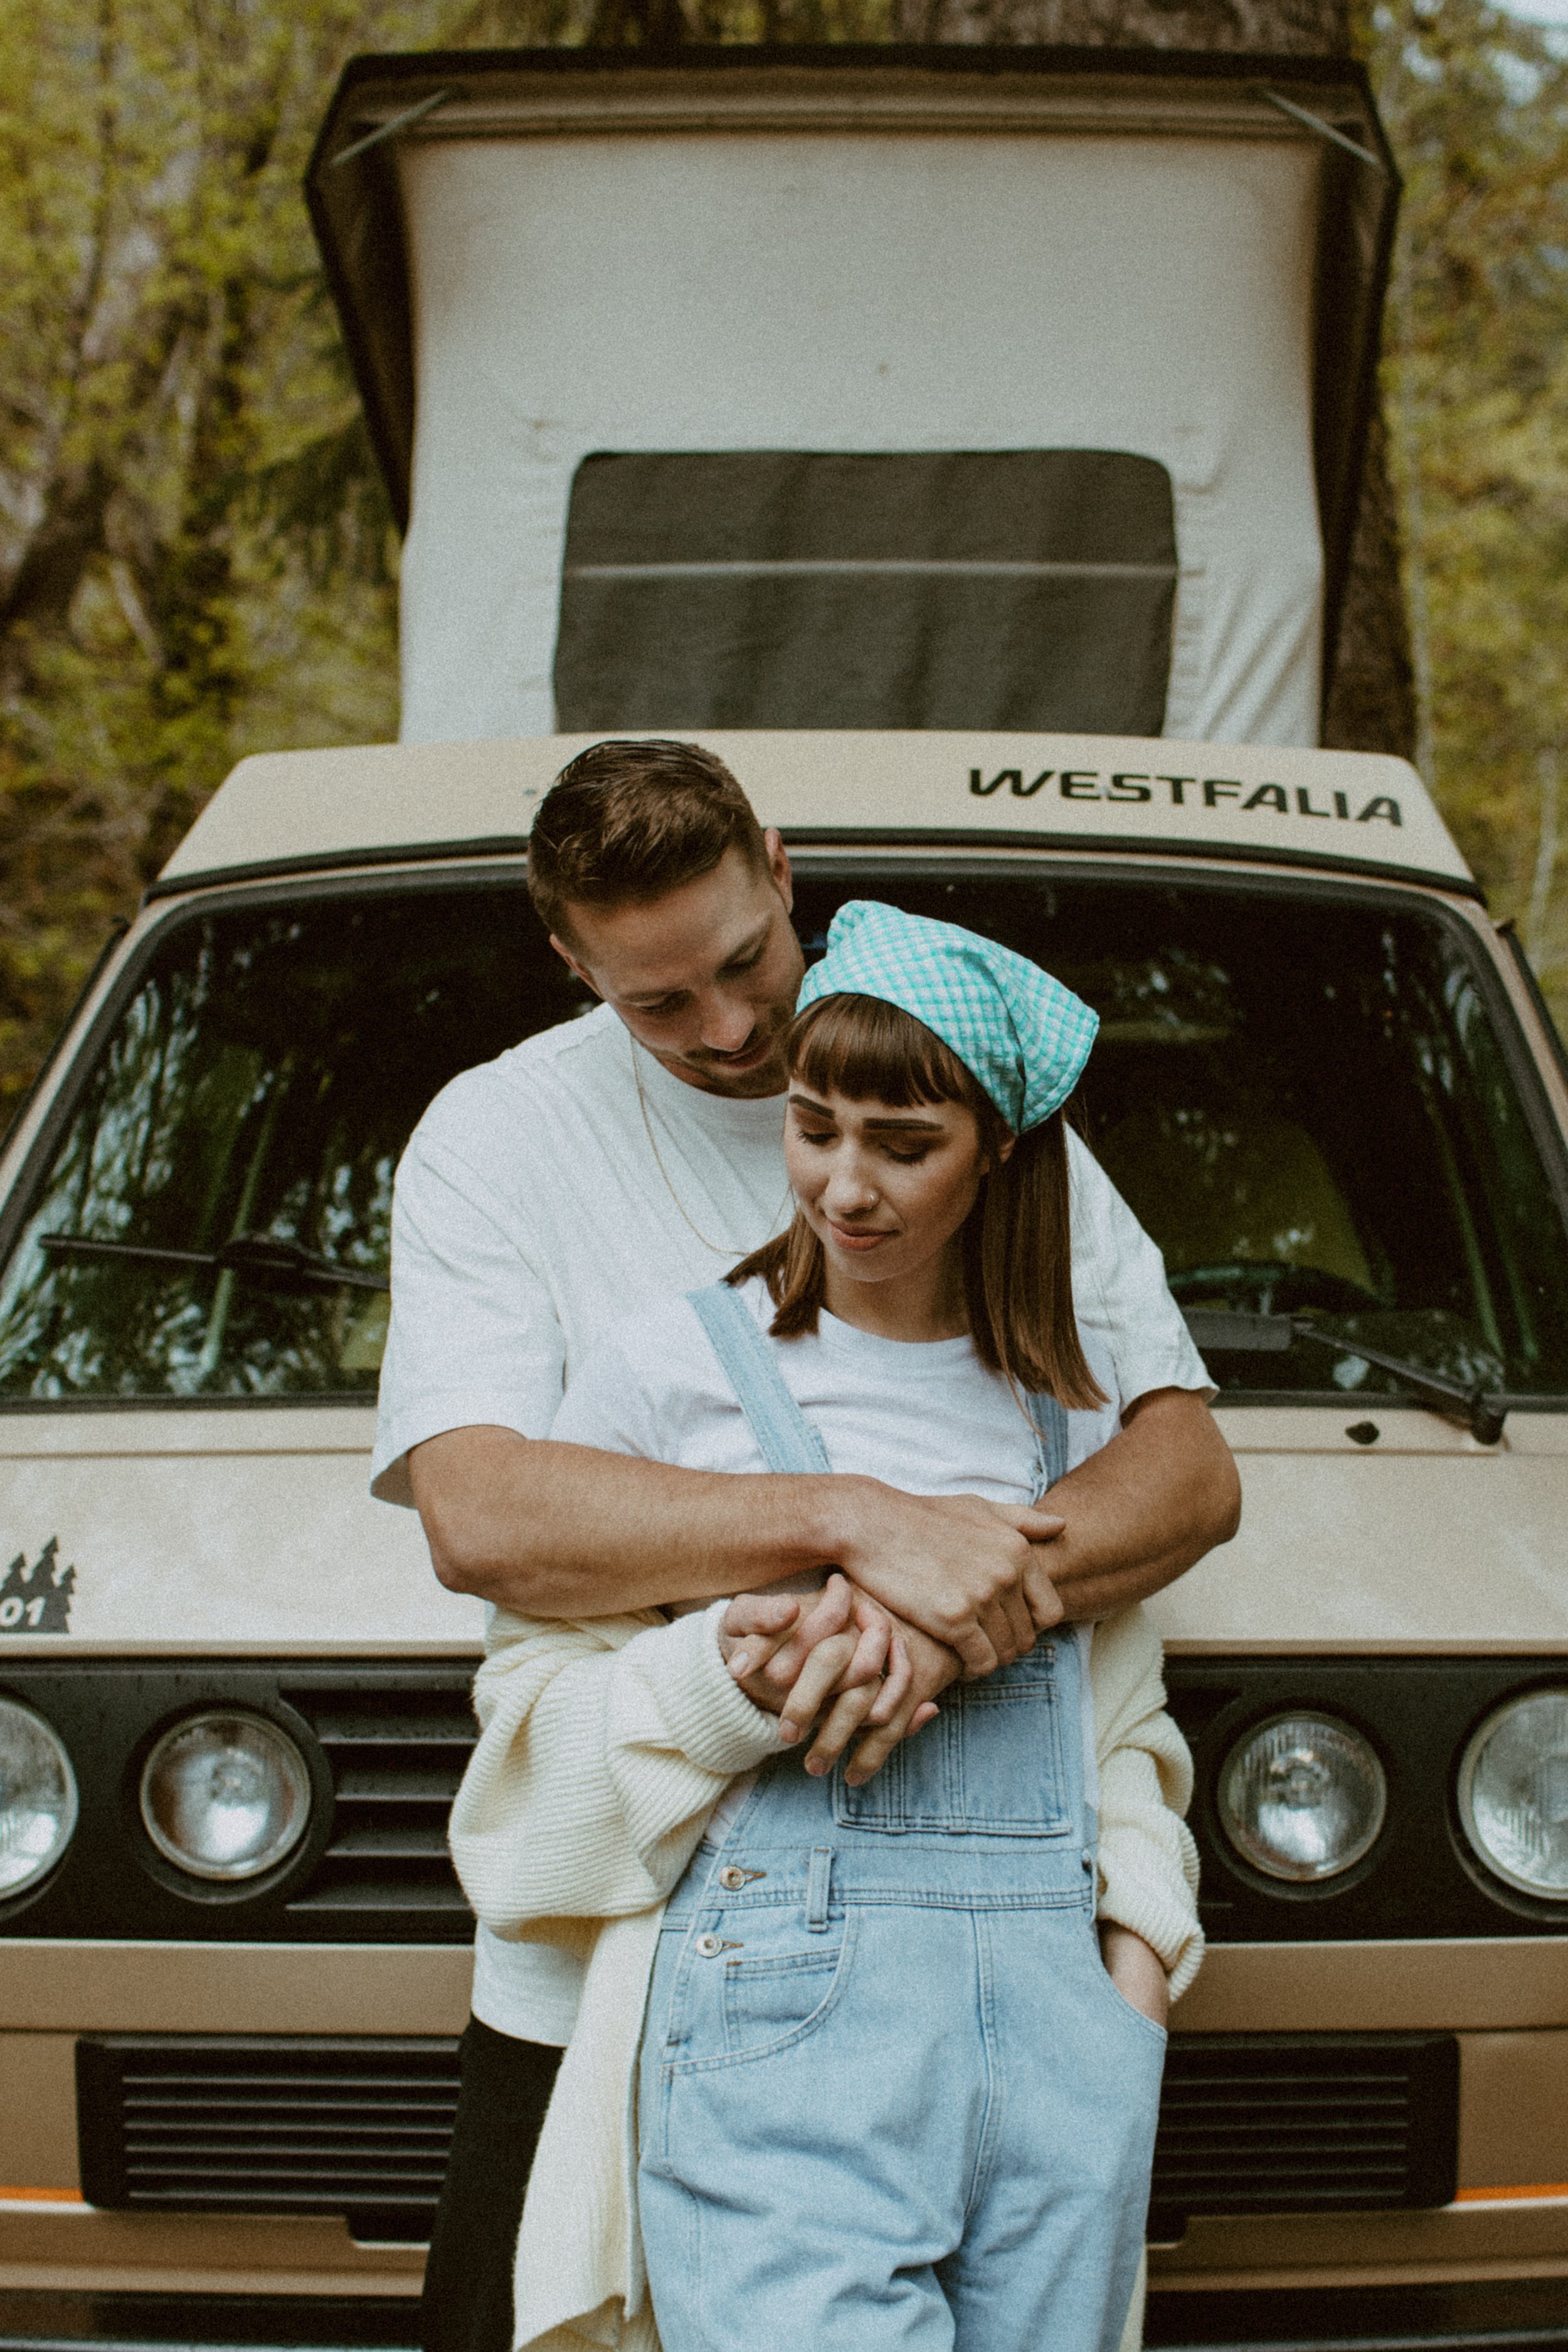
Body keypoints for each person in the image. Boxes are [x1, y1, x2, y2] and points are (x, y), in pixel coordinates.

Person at [371, 740, 1238, 2352]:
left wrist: (956, 1606)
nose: (728, 1032)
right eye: (653, 1004)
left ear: (780, 868)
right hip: (614, 1978)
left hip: (1021, 1999)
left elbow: (1180, 1468)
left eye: (743, 964)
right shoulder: (492, 1140)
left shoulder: (954, 1063)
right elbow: (479, 1512)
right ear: (569, 964)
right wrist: (856, 1526)